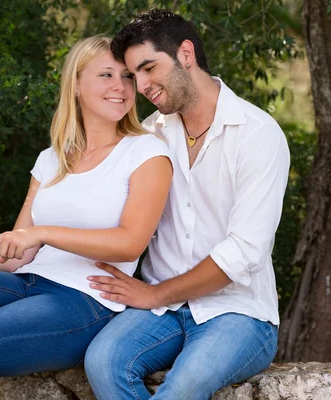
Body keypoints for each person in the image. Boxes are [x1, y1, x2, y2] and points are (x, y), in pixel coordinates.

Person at [0, 35, 173, 400]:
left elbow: (130, 243)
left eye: (127, 77)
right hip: (25, 284)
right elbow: (21, 248)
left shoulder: (146, 152)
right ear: (76, 86)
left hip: (84, 300)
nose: (121, 86)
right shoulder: (51, 158)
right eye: (106, 75)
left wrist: (44, 233)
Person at [84, 9, 290, 400]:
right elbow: (105, 211)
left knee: (184, 387)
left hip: (239, 312)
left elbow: (243, 252)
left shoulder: (258, 135)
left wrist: (155, 294)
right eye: (134, 76)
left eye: (148, 68)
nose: (141, 86)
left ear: (186, 53)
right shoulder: (148, 137)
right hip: (162, 311)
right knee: (103, 362)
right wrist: (30, 241)